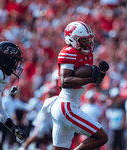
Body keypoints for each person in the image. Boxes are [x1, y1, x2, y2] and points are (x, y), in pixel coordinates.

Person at [42, 21, 109, 150]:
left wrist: (101, 74)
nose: (88, 44)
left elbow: (97, 82)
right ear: (73, 40)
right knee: (101, 137)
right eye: (84, 41)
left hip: (66, 107)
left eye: (89, 40)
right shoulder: (69, 52)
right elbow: (65, 82)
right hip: (66, 107)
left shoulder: (87, 53)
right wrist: (90, 78)